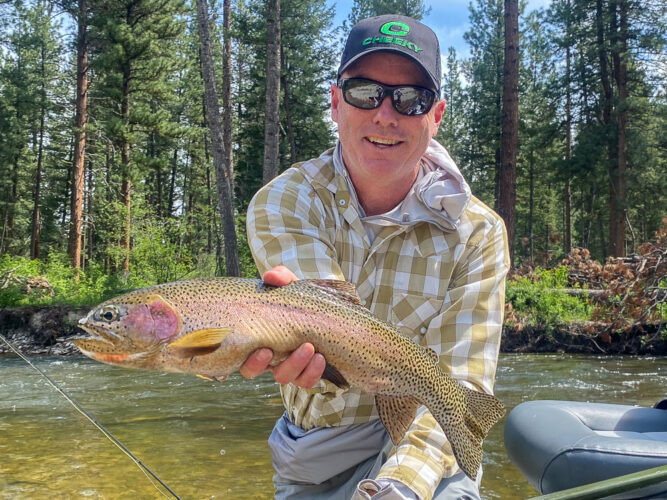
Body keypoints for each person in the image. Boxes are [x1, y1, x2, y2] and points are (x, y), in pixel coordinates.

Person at [241, 14, 510, 500]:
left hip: (431, 441)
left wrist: (398, 488)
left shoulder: (479, 232)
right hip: (318, 451)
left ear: (436, 116)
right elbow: (325, 332)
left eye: (411, 100)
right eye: (365, 92)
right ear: (336, 102)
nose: (386, 115)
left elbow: (462, 384)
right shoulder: (284, 202)